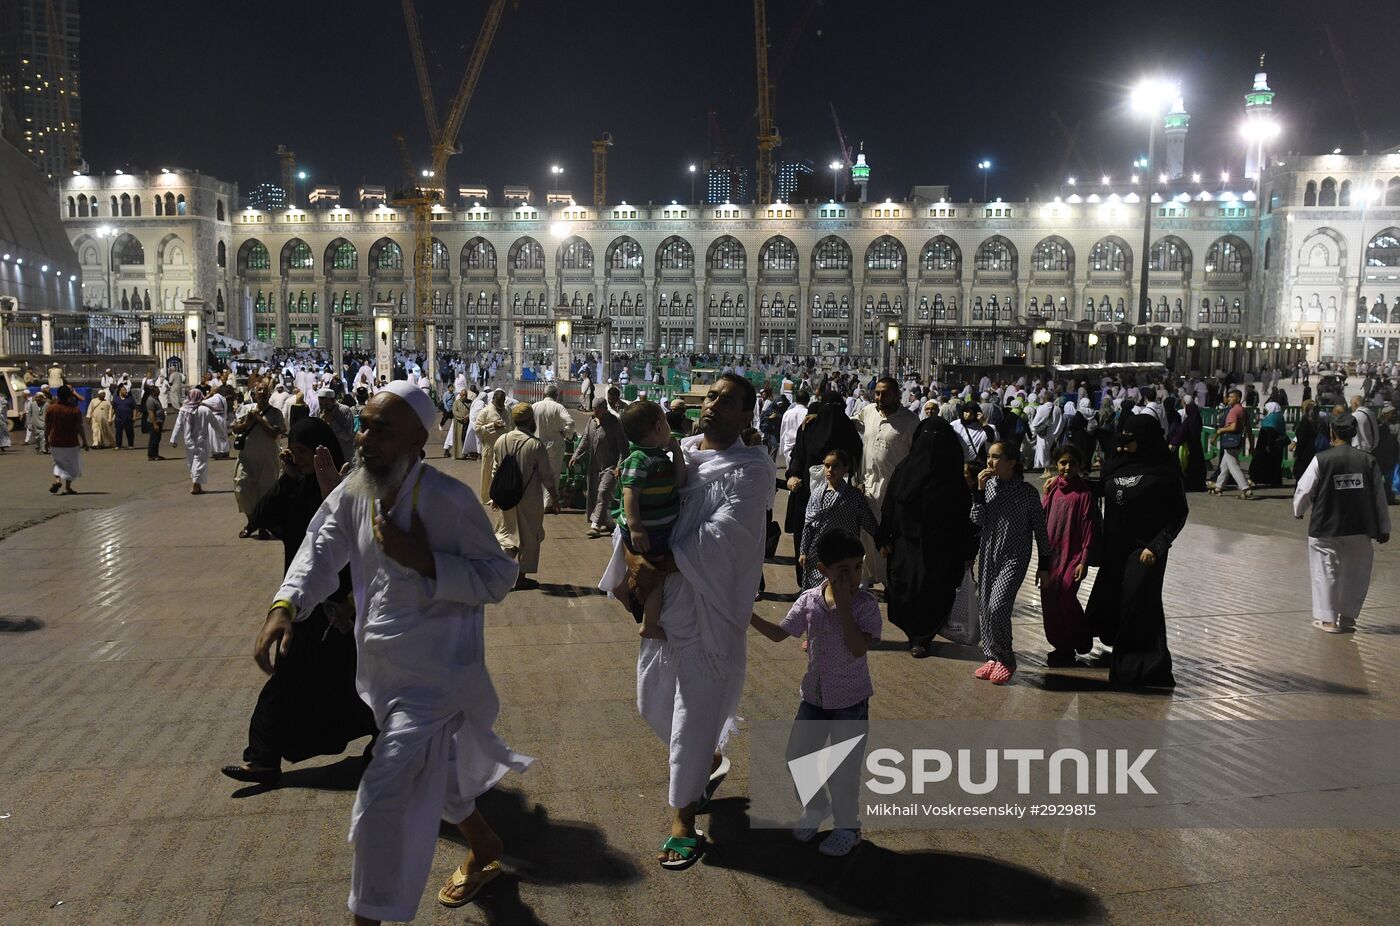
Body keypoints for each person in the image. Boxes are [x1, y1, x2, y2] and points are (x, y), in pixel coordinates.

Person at [255, 382, 529, 924]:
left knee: (383, 799)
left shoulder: (449, 501)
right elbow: (318, 549)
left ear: (417, 439)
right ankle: (485, 843)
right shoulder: (355, 490)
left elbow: (500, 575)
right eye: (363, 424)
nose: (365, 437)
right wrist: (285, 604)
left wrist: (427, 561)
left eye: (382, 428)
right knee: (437, 772)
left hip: (438, 678)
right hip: (381, 673)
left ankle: (370, 917)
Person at [598, 373, 774, 871]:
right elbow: (636, 508)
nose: (713, 404)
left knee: (692, 716)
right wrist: (632, 559)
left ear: (746, 416)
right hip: (669, 602)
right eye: (711, 396)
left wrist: (656, 563)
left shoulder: (751, 469)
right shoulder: (679, 453)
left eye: (727, 400)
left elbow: (725, 538)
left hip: (710, 610)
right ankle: (709, 763)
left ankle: (683, 821)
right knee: (651, 699)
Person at [223, 417, 377, 785]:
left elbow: (359, 553)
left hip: (341, 607)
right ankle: (262, 758)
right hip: (302, 603)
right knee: (286, 678)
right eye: (295, 450)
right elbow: (260, 518)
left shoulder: (348, 490)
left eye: (305, 452)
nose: (299, 457)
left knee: (360, 681)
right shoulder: (296, 487)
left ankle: (385, 742)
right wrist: (288, 477)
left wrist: (350, 603)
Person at [748, 529, 879, 858]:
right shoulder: (809, 600)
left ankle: (849, 828)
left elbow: (858, 648)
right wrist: (746, 618)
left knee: (843, 771)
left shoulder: (864, 605)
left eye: (858, 567)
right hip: (814, 699)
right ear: (824, 570)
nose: (852, 577)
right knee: (797, 757)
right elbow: (781, 633)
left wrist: (846, 608)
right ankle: (816, 806)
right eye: (843, 570)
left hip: (850, 703)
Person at [1085, 413, 1188, 687]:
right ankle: (1121, 657)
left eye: (1129, 442)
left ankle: (1142, 667)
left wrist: (1157, 545)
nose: (1121, 446)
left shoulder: (1164, 470)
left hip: (1144, 551)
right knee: (1116, 600)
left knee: (1139, 603)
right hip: (1114, 548)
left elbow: (1178, 513)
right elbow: (1102, 491)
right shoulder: (1116, 464)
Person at [877, 415, 977, 657]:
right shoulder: (905, 470)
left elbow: (966, 519)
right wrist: (884, 537)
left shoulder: (954, 479)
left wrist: (967, 552)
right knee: (905, 589)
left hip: (941, 549)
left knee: (934, 591)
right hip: (906, 544)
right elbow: (889, 505)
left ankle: (922, 637)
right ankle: (914, 633)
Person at [1293, 412, 1391, 633]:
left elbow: (1304, 488)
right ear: (1354, 433)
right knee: (1356, 573)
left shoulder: (1322, 459)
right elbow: (1379, 498)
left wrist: (1298, 510)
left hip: (1325, 527)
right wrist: (1384, 528)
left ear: (1331, 432)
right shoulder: (1368, 461)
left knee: (1325, 571)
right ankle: (1348, 618)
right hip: (1360, 529)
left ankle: (1328, 620)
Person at [967, 441, 1051, 684]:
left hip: (1013, 556)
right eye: (989, 457)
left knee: (998, 606)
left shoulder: (1027, 493)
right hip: (988, 553)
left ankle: (1007, 659)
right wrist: (978, 492)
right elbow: (977, 520)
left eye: (995, 457)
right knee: (985, 606)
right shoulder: (989, 486)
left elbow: (1040, 530)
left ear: (1011, 462)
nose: (989, 462)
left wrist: (1044, 565)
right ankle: (991, 656)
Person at [611, 400, 687, 639]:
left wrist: (676, 452)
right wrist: (636, 528)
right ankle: (650, 624)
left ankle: (623, 589)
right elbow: (629, 494)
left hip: (654, 530)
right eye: (665, 423)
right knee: (656, 576)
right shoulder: (639, 459)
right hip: (648, 532)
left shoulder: (658, 457)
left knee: (648, 570)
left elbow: (680, 481)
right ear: (658, 427)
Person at [784, 390, 863, 586]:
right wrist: (792, 475)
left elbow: (858, 457)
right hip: (808, 494)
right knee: (808, 535)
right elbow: (798, 455)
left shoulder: (847, 429)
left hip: (841, 497)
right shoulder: (809, 427)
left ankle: (837, 583)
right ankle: (807, 584)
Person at [852, 377, 918, 589]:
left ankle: (890, 581)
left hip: (893, 492)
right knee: (866, 535)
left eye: (885, 393)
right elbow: (849, 426)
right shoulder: (868, 411)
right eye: (877, 393)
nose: (880, 397)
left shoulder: (909, 421)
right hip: (867, 487)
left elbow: (915, 456)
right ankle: (866, 578)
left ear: (897, 395)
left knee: (890, 539)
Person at [1040, 445, 1100, 665]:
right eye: (1063, 463)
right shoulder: (1053, 488)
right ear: (1056, 464)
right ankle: (1062, 647)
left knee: (1065, 595)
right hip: (1051, 555)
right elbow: (1042, 517)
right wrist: (1046, 494)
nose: (1067, 467)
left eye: (1072, 463)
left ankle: (1081, 634)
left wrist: (1083, 561)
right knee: (1049, 601)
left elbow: (1088, 529)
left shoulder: (1084, 493)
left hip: (1073, 556)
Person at [490, 403, 553, 591]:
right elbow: (547, 476)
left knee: (507, 535)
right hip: (530, 499)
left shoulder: (501, 440)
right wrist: (555, 498)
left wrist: (496, 497)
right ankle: (521, 578)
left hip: (506, 497)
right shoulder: (535, 445)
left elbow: (496, 471)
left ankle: (501, 574)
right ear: (530, 421)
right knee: (529, 537)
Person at [799, 448, 878, 590]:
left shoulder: (854, 496)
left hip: (844, 555)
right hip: (818, 554)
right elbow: (809, 525)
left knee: (842, 592)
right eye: (827, 466)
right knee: (818, 596)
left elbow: (868, 521)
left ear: (845, 469)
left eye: (835, 466)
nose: (830, 470)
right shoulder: (817, 494)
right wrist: (803, 551)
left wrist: (882, 540)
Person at [232, 385, 286, 538]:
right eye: (259, 391)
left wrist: (259, 419)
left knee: (265, 493)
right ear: (254, 394)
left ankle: (262, 525)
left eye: (264, 391)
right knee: (242, 488)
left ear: (269, 395)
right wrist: (247, 422)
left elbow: (274, 433)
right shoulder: (246, 409)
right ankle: (252, 521)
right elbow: (236, 429)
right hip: (246, 458)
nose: (261, 393)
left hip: (267, 459)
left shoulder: (275, 413)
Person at [571, 399, 626, 538]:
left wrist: (619, 465)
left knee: (603, 492)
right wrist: (576, 455)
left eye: (599, 411)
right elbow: (585, 439)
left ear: (605, 409)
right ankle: (608, 521)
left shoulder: (614, 423)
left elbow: (623, 447)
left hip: (611, 466)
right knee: (596, 495)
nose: (596, 414)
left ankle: (595, 526)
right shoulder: (592, 421)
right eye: (594, 411)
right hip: (595, 466)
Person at [531, 384, 575, 513]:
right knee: (553, 474)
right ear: (556, 395)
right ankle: (548, 503)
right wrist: (566, 432)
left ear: (544, 394)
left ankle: (537, 502)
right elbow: (570, 422)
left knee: (538, 474)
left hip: (537, 444)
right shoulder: (558, 407)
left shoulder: (535, 407)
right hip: (555, 445)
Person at [170, 388, 217, 494]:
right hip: (201, 442)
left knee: (192, 462)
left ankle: (198, 485)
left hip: (189, 441)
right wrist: (222, 435)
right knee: (199, 463)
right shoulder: (205, 410)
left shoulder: (184, 409)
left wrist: (174, 439)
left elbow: (178, 425)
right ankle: (196, 485)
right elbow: (215, 424)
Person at [1209, 389, 1253, 499]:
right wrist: (1251, 445)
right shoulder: (1243, 410)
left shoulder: (1233, 411)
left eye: (1231, 397)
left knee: (1233, 466)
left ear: (1238, 398)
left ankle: (1245, 488)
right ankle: (1218, 487)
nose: (1228, 399)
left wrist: (1221, 431)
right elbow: (1249, 429)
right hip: (1238, 442)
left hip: (1230, 442)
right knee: (1225, 466)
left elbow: (1232, 427)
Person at [45, 385, 88, 494]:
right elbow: (79, 427)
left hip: (56, 440)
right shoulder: (75, 410)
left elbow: (47, 426)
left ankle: (57, 480)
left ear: (58, 396)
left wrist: (46, 440)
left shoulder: (52, 408)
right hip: (71, 442)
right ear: (70, 396)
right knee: (71, 464)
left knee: (57, 462)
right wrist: (85, 441)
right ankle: (68, 487)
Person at [473, 389, 510, 500]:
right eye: (498, 402)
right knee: (488, 473)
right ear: (493, 399)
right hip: (490, 447)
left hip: (504, 447)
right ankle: (487, 497)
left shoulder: (507, 410)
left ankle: (501, 495)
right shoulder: (485, 411)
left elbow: (511, 426)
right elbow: (478, 429)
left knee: (503, 473)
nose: (501, 404)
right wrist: (492, 426)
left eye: (502, 402)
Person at [1169, 395, 1208, 492]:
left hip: (1189, 448)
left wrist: (1173, 443)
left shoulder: (1188, 421)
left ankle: (1190, 485)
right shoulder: (1197, 418)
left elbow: (1181, 434)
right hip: (1197, 446)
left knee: (1189, 467)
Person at [1248, 400, 1288, 488]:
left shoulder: (1270, 419)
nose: (1265, 411)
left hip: (1266, 446)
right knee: (1275, 465)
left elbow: (1269, 434)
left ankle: (1255, 479)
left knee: (1260, 463)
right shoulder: (1279, 417)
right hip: (1277, 447)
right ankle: (1275, 482)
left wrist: (1268, 446)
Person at [319, 387, 357, 463]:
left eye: (326, 404)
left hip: (344, 455)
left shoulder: (344, 411)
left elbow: (347, 436)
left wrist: (332, 422)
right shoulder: (320, 411)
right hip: (329, 455)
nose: (323, 407)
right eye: (321, 404)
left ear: (333, 401)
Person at [142, 384, 166, 461]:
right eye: (157, 391)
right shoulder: (150, 400)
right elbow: (151, 413)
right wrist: (155, 424)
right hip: (154, 423)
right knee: (154, 439)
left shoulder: (156, 398)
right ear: (153, 392)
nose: (159, 392)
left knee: (157, 439)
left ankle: (156, 454)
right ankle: (152, 455)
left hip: (159, 421)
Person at [26, 389, 48, 454]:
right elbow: (29, 415)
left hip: (44, 424)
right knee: (37, 438)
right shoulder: (32, 405)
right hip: (35, 424)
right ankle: (39, 447)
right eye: (36, 399)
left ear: (42, 398)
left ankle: (43, 450)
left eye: (39, 399)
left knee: (43, 436)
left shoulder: (47, 405)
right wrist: (29, 424)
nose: (37, 400)